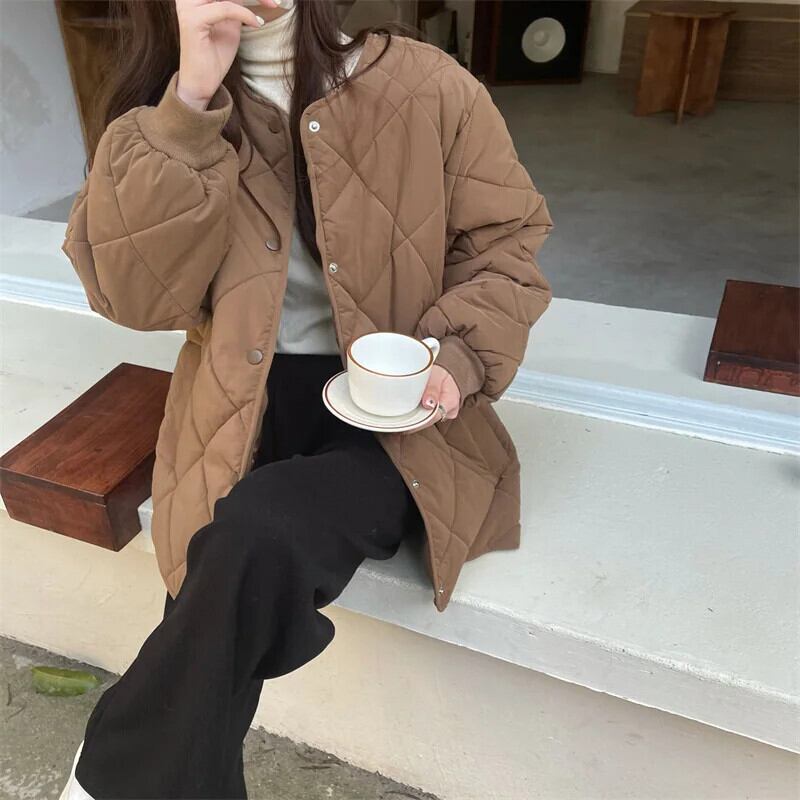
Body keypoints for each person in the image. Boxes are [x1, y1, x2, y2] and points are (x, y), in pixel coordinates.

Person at [58, 0, 553, 797]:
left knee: (251, 537)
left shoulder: (429, 86)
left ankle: (112, 773)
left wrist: (457, 357)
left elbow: (507, 247)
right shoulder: (159, 111)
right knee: (226, 581)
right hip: (236, 400)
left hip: (401, 412)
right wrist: (190, 103)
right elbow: (134, 297)